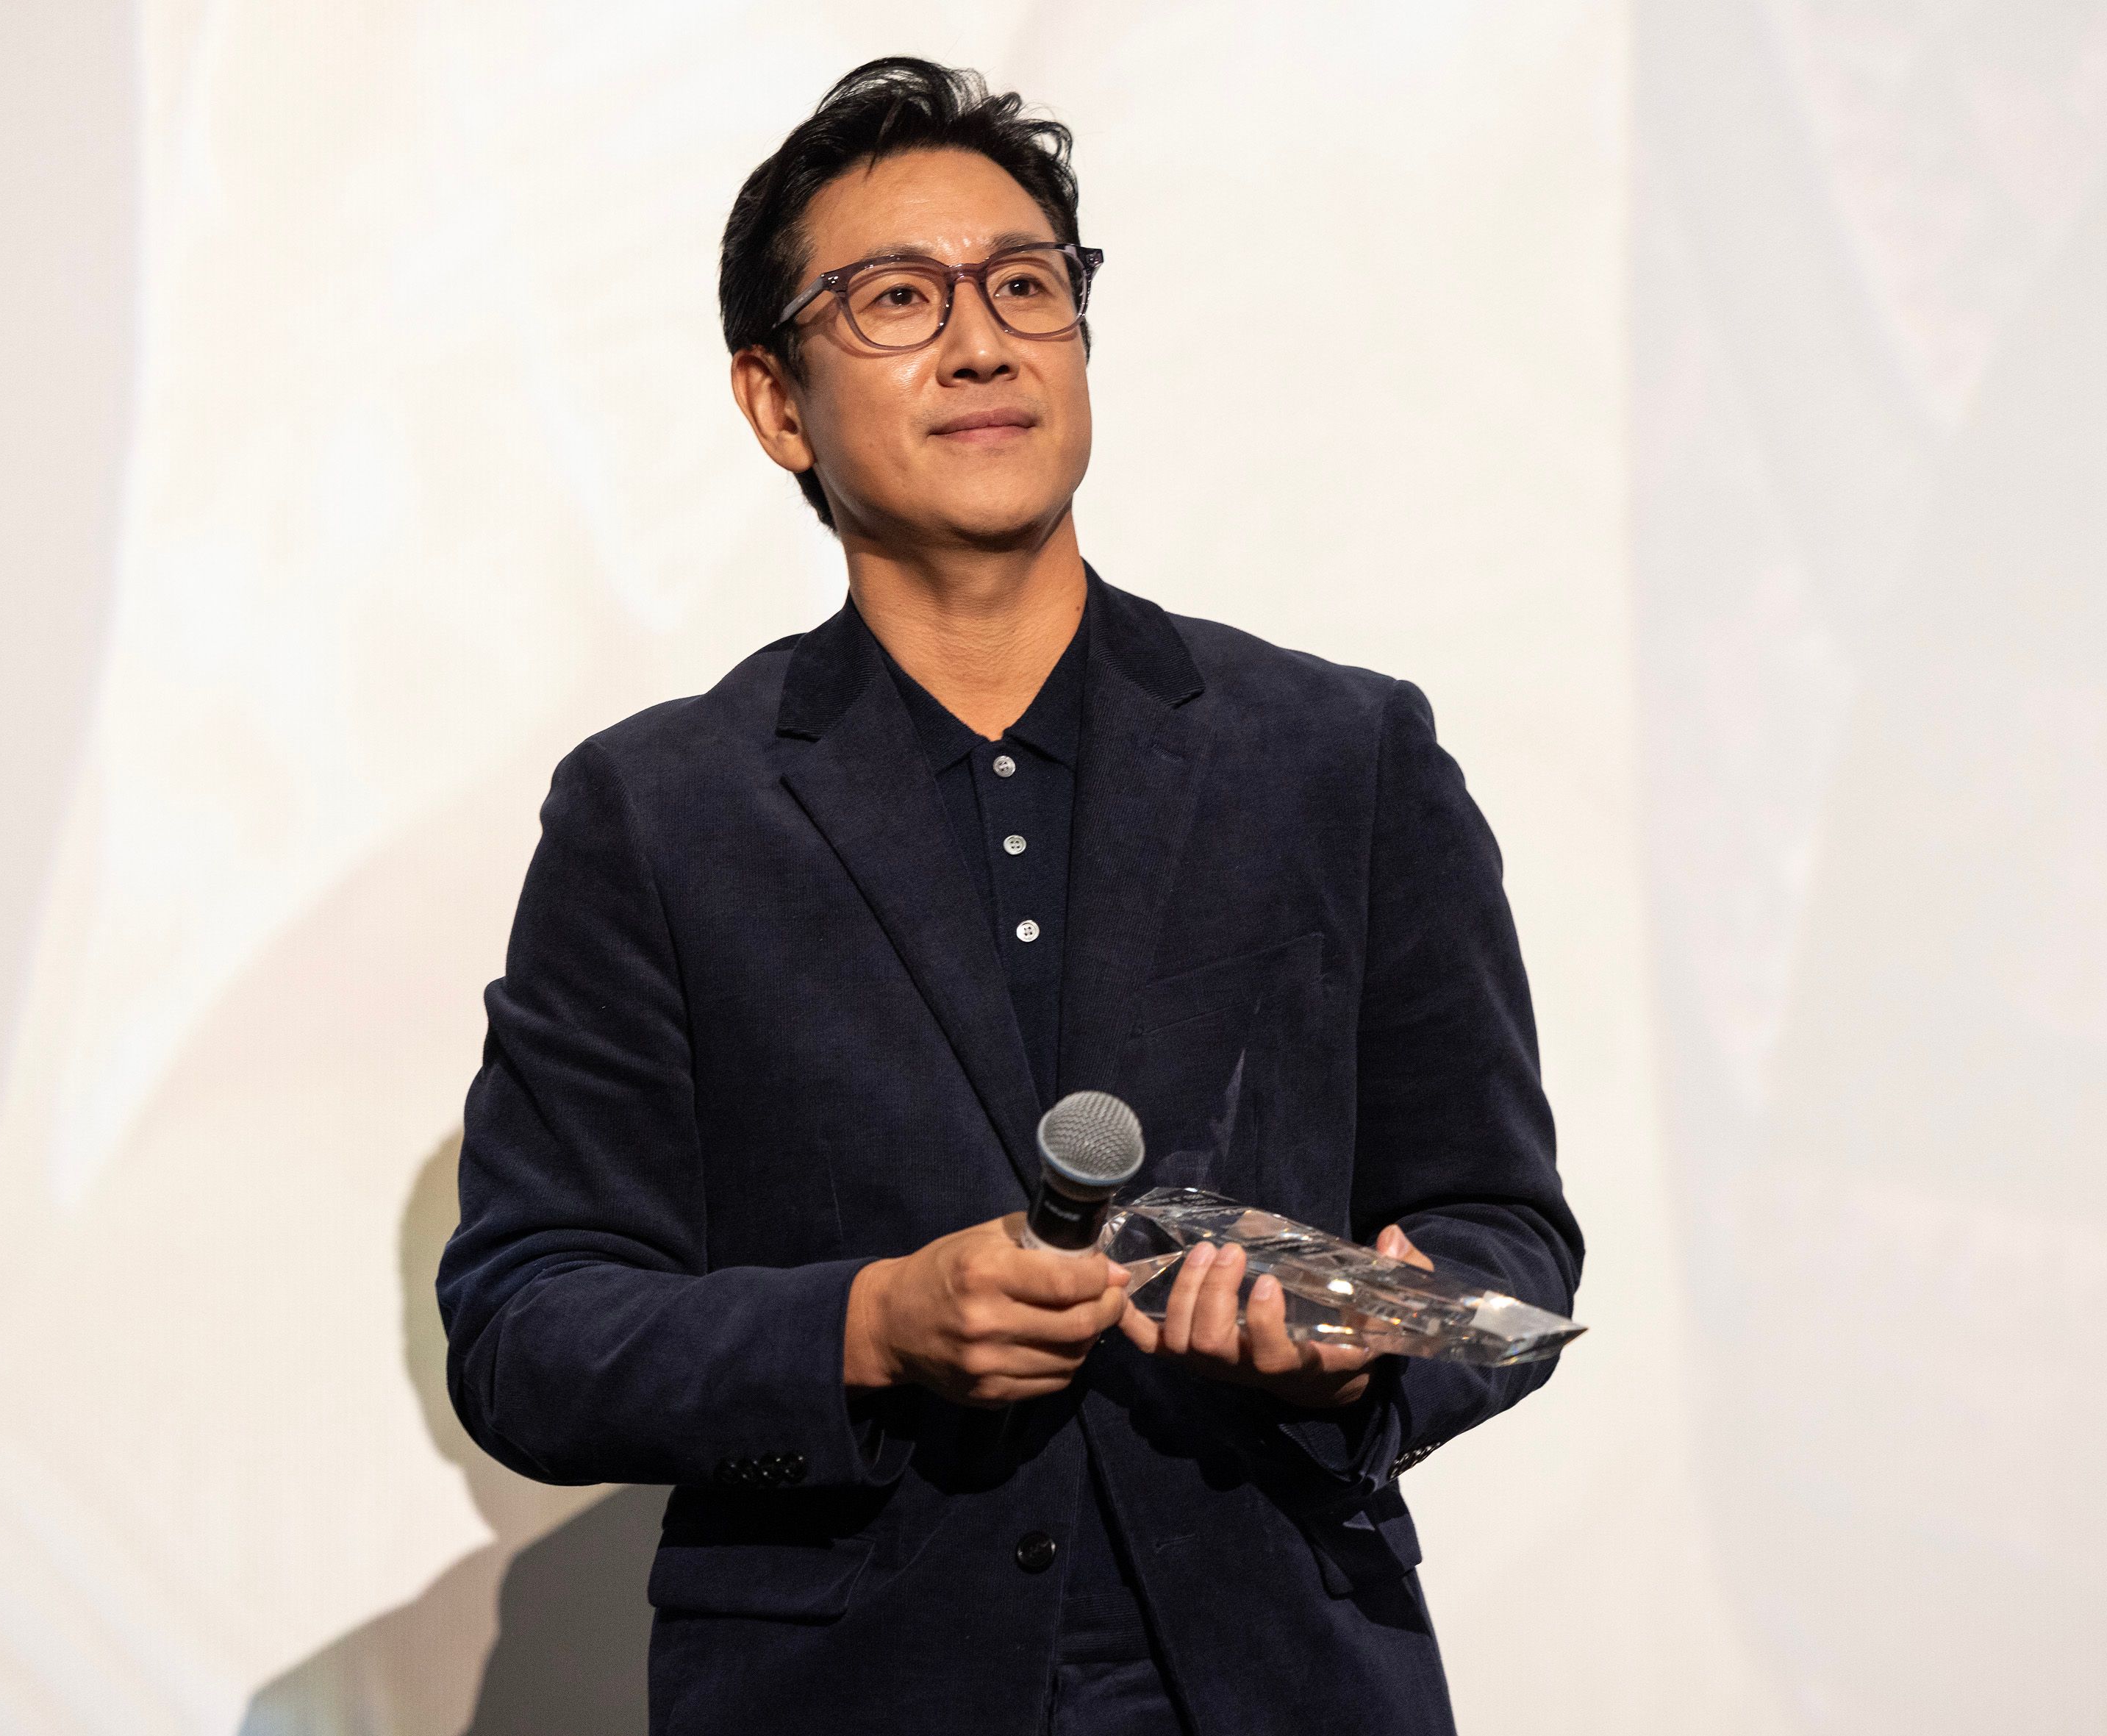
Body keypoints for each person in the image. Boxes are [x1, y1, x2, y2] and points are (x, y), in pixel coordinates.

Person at [438, 57, 1581, 1736]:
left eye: (1026, 284)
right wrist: (871, 1322)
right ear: (774, 402)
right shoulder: (657, 808)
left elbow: (1503, 1231)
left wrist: (1368, 1336)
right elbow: (529, 1328)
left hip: (1271, 1671)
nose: (983, 342)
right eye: (896, 298)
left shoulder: (1341, 751)